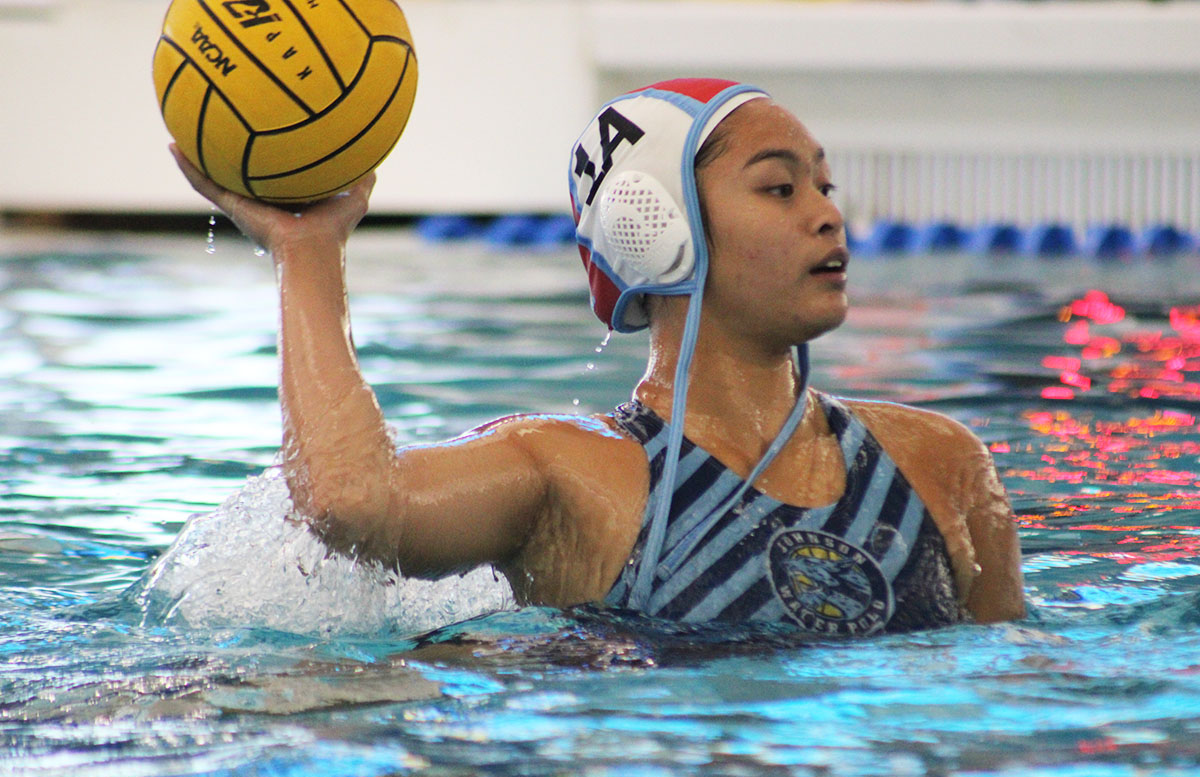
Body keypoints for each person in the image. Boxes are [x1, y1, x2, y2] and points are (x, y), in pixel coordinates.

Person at [170, 78, 1025, 636]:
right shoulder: (568, 474)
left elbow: (1017, 694)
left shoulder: (938, 464)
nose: (828, 214)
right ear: (657, 231)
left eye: (825, 186)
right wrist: (307, 249)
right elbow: (356, 506)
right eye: (779, 187)